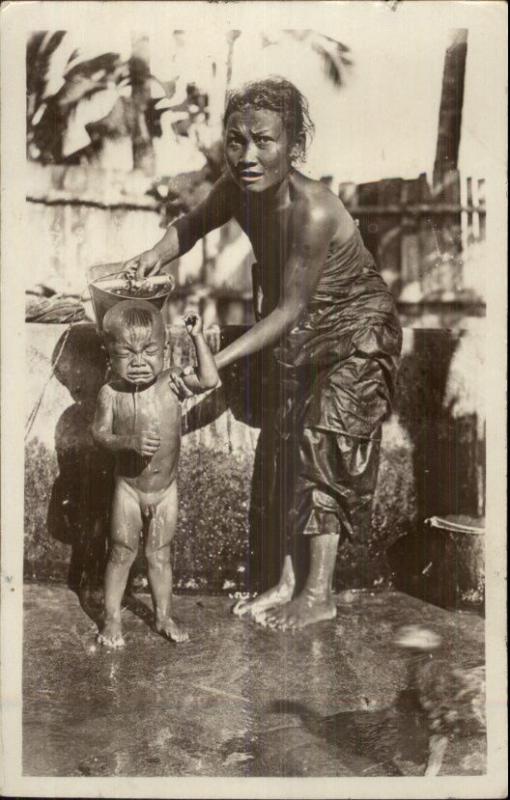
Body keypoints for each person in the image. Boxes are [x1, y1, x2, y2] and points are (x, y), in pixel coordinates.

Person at [123, 77, 402, 631]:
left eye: (263, 142)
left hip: (356, 335)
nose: (247, 156)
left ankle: (319, 594)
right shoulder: (236, 188)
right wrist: (155, 254)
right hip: (303, 334)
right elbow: (191, 226)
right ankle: (286, 583)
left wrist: (215, 364)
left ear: (293, 145)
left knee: (324, 439)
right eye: (236, 140)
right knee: (285, 441)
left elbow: (287, 311)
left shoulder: (313, 210)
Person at [92, 300, 219, 647]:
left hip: (165, 490)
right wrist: (128, 441)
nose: (138, 363)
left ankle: (163, 616)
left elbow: (210, 378)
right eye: (126, 354)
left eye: (148, 351)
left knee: (159, 555)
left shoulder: (171, 384)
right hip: (129, 490)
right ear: (109, 355)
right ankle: (112, 618)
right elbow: (99, 434)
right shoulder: (111, 394)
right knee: (121, 552)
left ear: (165, 350)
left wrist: (197, 337)